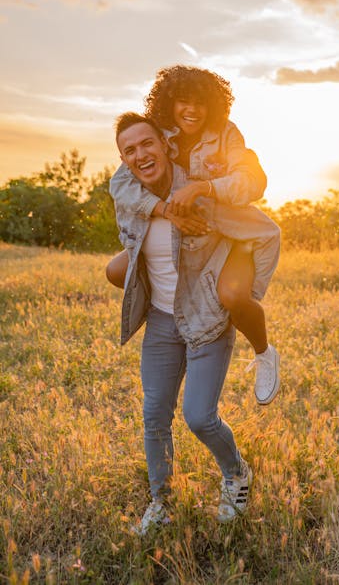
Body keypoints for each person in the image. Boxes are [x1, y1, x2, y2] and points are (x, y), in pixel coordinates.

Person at [113, 112, 280, 534]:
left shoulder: (201, 197)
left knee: (200, 417)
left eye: (146, 144)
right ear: (123, 159)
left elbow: (266, 230)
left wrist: (244, 297)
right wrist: (164, 209)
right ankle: (161, 505)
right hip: (162, 323)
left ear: (165, 145)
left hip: (205, 318)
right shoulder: (131, 196)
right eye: (129, 150)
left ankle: (237, 475)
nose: (140, 154)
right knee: (154, 415)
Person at [108, 65, 281, 405]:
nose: (192, 110)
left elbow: (253, 181)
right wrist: (164, 210)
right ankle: (175, 324)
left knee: (231, 295)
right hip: (182, 235)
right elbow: (121, 183)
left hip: (229, 234)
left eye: (201, 103)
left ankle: (264, 352)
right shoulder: (156, 132)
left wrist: (205, 187)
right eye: (183, 101)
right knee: (116, 271)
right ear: (169, 103)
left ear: (214, 106)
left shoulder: (227, 135)